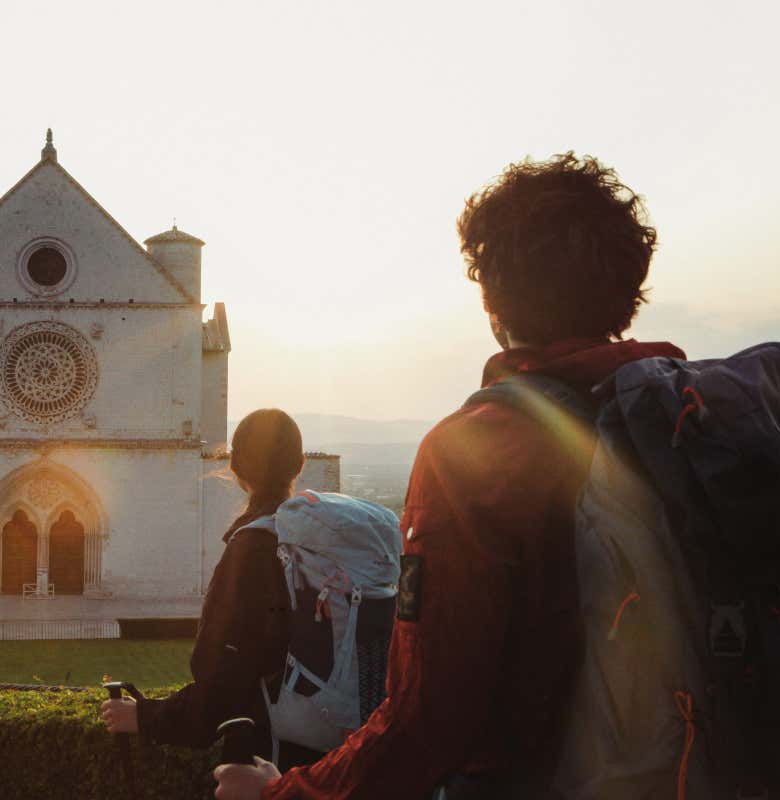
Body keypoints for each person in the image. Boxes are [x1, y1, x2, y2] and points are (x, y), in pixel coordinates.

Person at [214, 152, 684, 799]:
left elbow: (427, 721)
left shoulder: (477, 451)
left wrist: (280, 794)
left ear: (492, 299)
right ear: (629, 290)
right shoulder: (694, 421)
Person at [101, 409, 323, 769]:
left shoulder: (253, 547)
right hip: (338, 755)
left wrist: (145, 716)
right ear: (299, 464)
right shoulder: (322, 539)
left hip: (269, 759)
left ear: (234, 466)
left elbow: (221, 683)